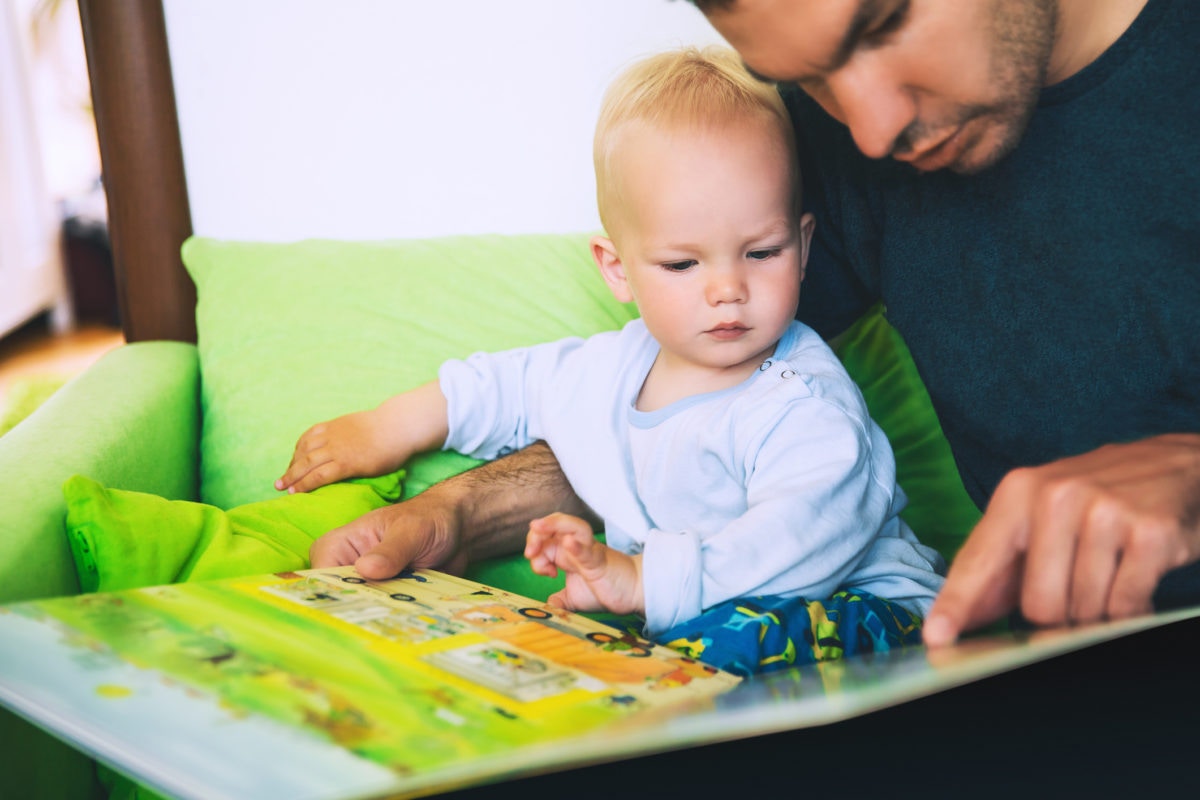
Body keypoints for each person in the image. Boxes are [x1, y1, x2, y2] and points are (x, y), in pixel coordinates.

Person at [307, 0, 1200, 648]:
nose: (874, 130)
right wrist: (453, 517)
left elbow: (812, 474)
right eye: (807, 78)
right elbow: (692, 409)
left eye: (885, 20)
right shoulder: (812, 156)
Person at [279, 46, 945, 674]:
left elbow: (801, 541)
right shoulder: (612, 372)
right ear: (617, 269)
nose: (728, 289)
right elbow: (508, 387)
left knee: (704, 655)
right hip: (713, 625)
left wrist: (642, 581)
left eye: (761, 252)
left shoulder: (801, 399)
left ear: (803, 247)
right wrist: (388, 428)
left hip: (878, 619)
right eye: (683, 263)